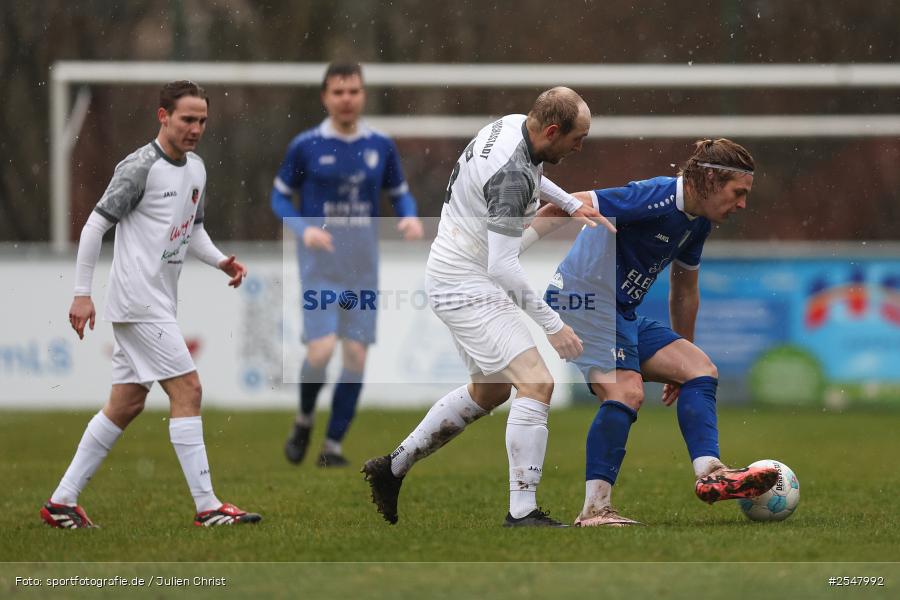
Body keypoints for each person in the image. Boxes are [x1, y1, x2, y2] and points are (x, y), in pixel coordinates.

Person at [362, 87, 615, 527]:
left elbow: (530, 174)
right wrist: (553, 325)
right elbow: (503, 266)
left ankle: (392, 467)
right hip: (468, 282)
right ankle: (522, 511)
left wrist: (570, 203)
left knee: (491, 391)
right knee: (537, 382)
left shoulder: (516, 124)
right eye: (578, 138)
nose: (580, 147)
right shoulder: (511, 175)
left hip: (455, 269)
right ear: (552, 130)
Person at [41, 81, 260, 529]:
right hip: (138, 302)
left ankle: (61, 502)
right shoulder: (140, 167)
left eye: (202, 120)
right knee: (189, 390)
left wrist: (221, 261)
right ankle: (208, 507)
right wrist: (82, 293)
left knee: (126, 403)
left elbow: (192, 229)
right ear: (163, 116)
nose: (195, 128)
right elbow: (94, 226)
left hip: (156, 303)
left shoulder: (196, 169)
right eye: (187, 119)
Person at [529, 138, 778, 526]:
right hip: (581, 301)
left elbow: (685, 290)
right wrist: (514, 247)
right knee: (626, 392)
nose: (743, 204)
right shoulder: (654, 196)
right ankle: (594, 511)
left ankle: (711, 472)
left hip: (620, 314)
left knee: (699, 369)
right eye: (738, 192)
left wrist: (680, 360)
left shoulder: (698, 223)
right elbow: (569, 202)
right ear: (710, 180)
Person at [272, 62, 424, 468]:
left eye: (353, 91)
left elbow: (400, 193)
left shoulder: (380, 145)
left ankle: (332, 447)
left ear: (363, 95)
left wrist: (409, 216)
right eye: (338, 92)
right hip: (320, 269)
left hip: (362, 271)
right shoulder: (306, 145)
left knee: (355, 356)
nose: (346, 99)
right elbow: (279, 197)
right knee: (321, 351)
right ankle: (304, 418)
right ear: (325, 97)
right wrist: (303, 229)